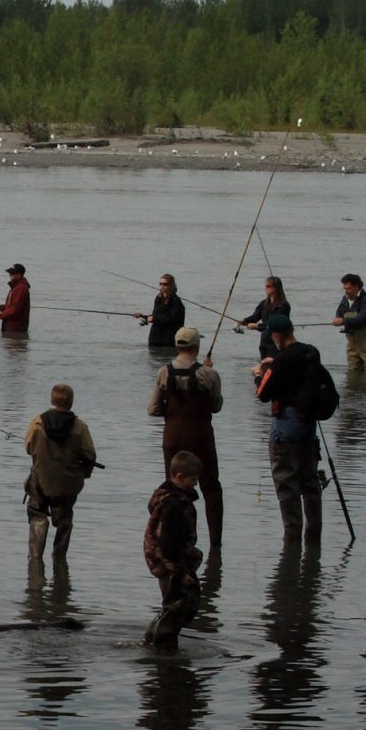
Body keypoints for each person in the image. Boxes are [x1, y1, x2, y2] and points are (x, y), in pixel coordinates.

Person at [148, 326, 224, 552]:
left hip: (172, 438)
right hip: (201, 437)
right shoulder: (209, 374)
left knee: (174, 491)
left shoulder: (164, 372)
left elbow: (152, 409)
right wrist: (209, 372)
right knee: (211, 489)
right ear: (196, 346)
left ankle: (172, 539)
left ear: (177, 345)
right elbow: (216, 406)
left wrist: (171, 413)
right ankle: (215, 545)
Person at [254, 313, 327, 538]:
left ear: (276, 335)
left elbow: (264, 394)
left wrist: (259, 374)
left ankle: (292, 540)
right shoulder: (310, 352)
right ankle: (314, 537)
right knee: (310, 484)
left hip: (286, 428)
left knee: (287, 487)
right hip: (308, 427)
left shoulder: (283, 359)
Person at [22, 382, 98, 563]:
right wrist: (84, 474)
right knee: (64, 519)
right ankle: (59, 558)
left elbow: (28, 447)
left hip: (40, 480)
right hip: (68, 484)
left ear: (51, 400)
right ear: (71, 403)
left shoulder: (37, 422)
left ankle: (35, 557)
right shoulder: (80, 427)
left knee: (37, 514)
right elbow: (90, 456)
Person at [142, 451, 204, 651]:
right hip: (172, 564)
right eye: (193, 480)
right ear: (178, 476)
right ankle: (165, 650)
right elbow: (169, 543)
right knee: (177, 605)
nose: (195, 484)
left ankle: (150, 640)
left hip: (169, 562)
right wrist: (180, 572)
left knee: (174, 605)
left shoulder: (170, 499)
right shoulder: (174, 505)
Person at [330, 273, 366, 377]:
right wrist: (337, 318)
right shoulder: (345, 298)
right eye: (344, 288)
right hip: (352, 341)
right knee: (353, 369)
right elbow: (339, 312)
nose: (346, 291)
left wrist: (343, 321)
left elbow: (363, 318)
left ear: (357, 286)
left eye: (349, 288)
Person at [139, 273, 185, 348]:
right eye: (160, 284)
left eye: (165, 284)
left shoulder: (176, 301)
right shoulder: (158, 298)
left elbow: (168, 319)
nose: (162, 286)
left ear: (171, 286)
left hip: (169, 342)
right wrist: (144, 317)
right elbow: (156, 315)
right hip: (154, 340)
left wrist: (153, 319)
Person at [0, 263, 30, 337]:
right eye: (10, 273)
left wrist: (0, 316)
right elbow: (13, 305)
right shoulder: (16, 287)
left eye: (12, 273)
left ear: (19, 275)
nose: (9, 275)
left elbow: (14, 309)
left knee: (13, 348)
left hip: (15, 329)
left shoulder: (21, 289)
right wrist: (0, 308)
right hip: (12, 329)